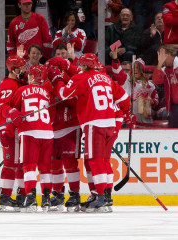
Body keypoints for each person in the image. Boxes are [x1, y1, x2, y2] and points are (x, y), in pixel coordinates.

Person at [47, 53, 131, 213]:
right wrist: (127, 113)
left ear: (84, 66)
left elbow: (64, 93)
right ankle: (106, 196)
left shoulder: (83, 78)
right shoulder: (106, 78)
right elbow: (124, 98)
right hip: (110, 123)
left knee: (95, 160)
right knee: (105, 161)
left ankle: (99, 195)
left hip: (94, 123)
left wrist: (57, 79)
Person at [10, 64, 54, 213]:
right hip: (48, 132)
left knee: (29, 166)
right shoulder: (47, 92)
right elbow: (52, 114)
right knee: (45, 168)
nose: (27, 77)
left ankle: (31, 197)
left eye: (29, 75)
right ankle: (46, 198)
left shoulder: (22, 90)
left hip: (30, 132)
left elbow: (13, 109)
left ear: (33, 77)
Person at [48, 44, 82, 212]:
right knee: (54, 163)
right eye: (58, 54)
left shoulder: (74, 73)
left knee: (70, 162)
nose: (60, 56)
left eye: (63, 54)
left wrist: (60, 81)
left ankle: (75, 194)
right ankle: (57, 193)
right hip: (53, 126)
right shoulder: (48, 73)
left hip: (70, 124)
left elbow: (74, 97)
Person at [0, 55, 27, 212]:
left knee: (19, 163)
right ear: (13, 69)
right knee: (11, 164)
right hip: (7, 127)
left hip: (14, 127)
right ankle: (5, 197)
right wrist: (12, 111)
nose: (24, 70)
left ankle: (21, 194)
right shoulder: (8, 83)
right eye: (21, 67)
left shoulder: (17, 82)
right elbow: (2, 107)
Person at [111, 48, 159, 125]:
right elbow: (117, 71)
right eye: (134, 68)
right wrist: (115, 59)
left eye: (138, 68)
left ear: (142, 70)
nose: (136, 70)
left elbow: (156, 100)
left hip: (144, 120)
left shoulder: (150, 85)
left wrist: (152, 101)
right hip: (128, 119)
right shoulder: (126, 79)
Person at [153, 44, 178, 127]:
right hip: (174, 107)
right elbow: (156, 80)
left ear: (167, 54)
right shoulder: (165, 69)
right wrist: (159, 64)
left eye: (161, 56)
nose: (160, 60)